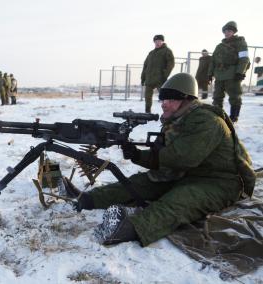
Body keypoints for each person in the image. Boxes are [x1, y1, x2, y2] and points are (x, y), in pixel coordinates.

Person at [64, 73, 255, 247]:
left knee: (181, 200)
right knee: (141, 182)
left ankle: (131, 228)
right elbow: (161, 158)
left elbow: (182, 158)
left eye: (171, 99)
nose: (164, 104)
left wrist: (140, 155)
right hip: (185, 174)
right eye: (163, 99)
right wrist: (136, 154)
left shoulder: (208, 122)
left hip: (220, 182)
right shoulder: (175, 120)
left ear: (187, 99)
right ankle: (87, 199)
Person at [208, 21, 249, 122]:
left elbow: (244, 58)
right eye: (225, 31)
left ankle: (234, 117)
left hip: (232, 74)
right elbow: (213, 60)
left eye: (229, 31)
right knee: (217, 97)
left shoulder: (240, 43)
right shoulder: (219, 46)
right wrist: (210, 74)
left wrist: (240, 72)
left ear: (234, 32)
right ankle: (217, 116)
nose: (227, 33)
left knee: (234, 97)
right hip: (219, 75)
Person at [141, 34, 175, 113]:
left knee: (165, 97)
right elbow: (145, 66)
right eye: (156, 41)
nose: (157, 43)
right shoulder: (151, 53)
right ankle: (147, 112)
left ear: (162, 41)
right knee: (147, 97)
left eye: (159, 41)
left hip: (160, 79)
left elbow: (171, 63)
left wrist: (165, 74)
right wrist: (143, 78)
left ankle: (169, 112)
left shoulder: (167, 51)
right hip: (149, 79)